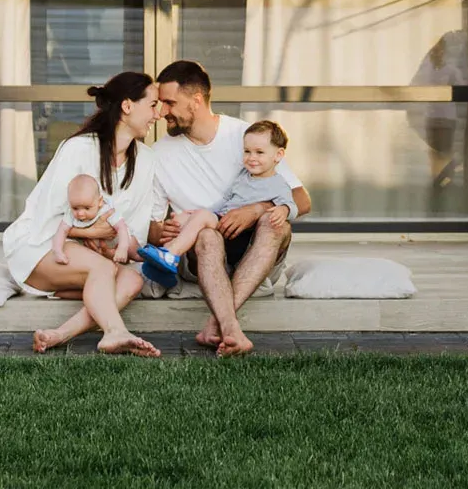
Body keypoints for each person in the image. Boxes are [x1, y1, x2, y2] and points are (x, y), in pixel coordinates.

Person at [149, 60, 312, 357]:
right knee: (206, 237)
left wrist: (256, 209)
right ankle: (232, 330)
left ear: (196, 101)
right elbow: (150, 226)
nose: (162, 113)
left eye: (169, 103)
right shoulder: (159, 155)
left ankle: (217, 323)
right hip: (202, 252)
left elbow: (302, 200)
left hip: (254, 251)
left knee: (277, 223)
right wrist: (162, 230)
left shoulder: (246, 136)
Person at [3, 71, 164, 358]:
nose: (159, 114)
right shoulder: (78, 148)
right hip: (42, 247)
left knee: (132, 280)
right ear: (127, 106)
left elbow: (133, 235)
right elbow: (45, 220)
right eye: (152, 105)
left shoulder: (146, 160)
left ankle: (59, 334)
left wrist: (149, 252)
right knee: (103, 270)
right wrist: (94, 233)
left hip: (95, 258)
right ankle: (115, 331)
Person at [137, 120, 298, 284]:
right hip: (223, 218)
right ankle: (166, 267)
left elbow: (293, 206)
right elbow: (226, 201)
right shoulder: (243, 176)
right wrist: (197, 215)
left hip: (240, 233)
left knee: (200, 217)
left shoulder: (278, 184)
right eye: (247, 151)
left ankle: (171, 254)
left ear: (278, 155)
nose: (251, 158)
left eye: (259, 152)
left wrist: (284, 209)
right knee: (181, 220)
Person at [52, 174, 136, 265]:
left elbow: (122, 227)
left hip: (121, 241)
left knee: (133, 249)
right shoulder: (70, 214)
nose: (80, 213)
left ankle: (142, 256)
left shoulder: (106, 210)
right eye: (75, 208)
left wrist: (122, 248)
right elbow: (61, 231)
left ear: (99, 202)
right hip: (99, 249)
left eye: (87, 208)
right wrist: (58, 251)